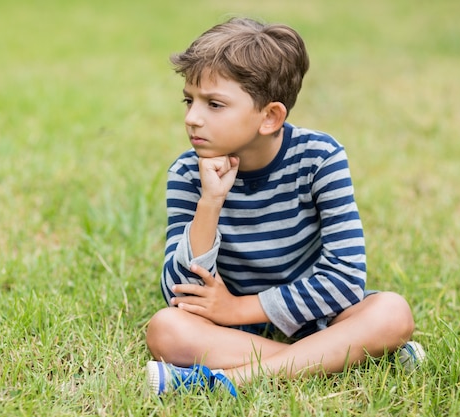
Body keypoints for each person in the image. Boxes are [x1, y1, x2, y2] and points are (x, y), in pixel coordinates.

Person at [145, 17, 423, 397]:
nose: (192, 117)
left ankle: (234, 379)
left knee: (392, 312)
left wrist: (237, 309)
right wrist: (210, 202)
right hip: (234, 336)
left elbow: (345, 280)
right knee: (166, 328)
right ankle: (336, 358)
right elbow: (181, 294)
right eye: (189, 100)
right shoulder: (187, 173)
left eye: (214, 104)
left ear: (270, 116)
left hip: (317, 316)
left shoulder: (320, 159)